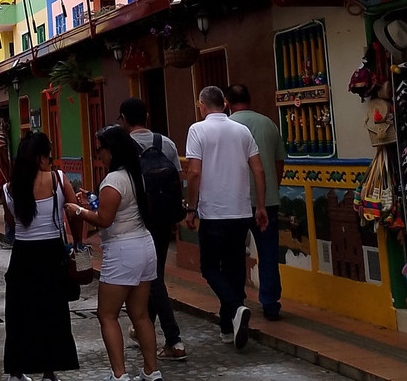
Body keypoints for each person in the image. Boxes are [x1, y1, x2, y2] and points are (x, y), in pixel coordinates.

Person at [67, 125, 160, 381]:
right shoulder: (135, 175)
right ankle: (152, 370)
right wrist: (92, 201)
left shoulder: (114, 179)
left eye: (99, 150)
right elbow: (120, 209)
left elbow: (105, 219)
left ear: (112, 149)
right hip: (144, 246)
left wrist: (78, 210)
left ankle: (119, 374)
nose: (98, 156)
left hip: (122, 250)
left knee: (106, 314)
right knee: (140, 314)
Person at [184, 86, 268, 350]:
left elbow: (194, 172)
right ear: (224, 104)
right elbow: (258, 169)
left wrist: (191, 207)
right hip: (241, 211)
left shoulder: (197, 130)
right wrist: (261, 206)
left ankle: (235, 307)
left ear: (202, 106)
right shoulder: (242, 131)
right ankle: (227, 328)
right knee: (233, 269)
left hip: (213, 212)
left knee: (209, 267)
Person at [1, 131, 80, 381]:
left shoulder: (10, 187)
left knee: (19, 314)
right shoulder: (58, 179)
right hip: (51, 253)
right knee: (52, 313)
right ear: (41, 157)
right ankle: (49, 371)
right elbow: (73, 213)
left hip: (23, 254)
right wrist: (77, 242)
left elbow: (11, 223)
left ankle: (16, 370)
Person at [117, 97, 186, 361]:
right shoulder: (165, 143)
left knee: (153, 278)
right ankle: (141, 328)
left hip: (137, 219)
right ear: (146, 116)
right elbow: (177, 179)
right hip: (164, 217)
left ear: (123, 118)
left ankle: (174, 340)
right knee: (153, 274)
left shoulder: (123, 146)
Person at [226, 83, 286, 321]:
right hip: (268, 200)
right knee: (269, 252)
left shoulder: (228, 127)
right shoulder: (268, 124)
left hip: (236, 201)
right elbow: (280, 161)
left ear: (227, 104)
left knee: (234, 253)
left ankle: (238, 301)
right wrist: (273, 186)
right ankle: (271, 303)